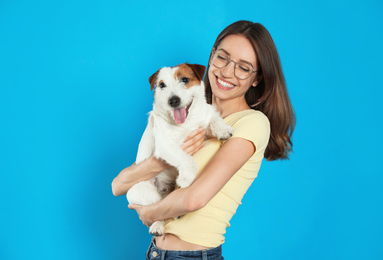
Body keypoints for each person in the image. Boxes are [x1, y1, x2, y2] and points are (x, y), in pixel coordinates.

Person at [112, 20, 295, 259]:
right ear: (212, 56)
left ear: (257, 78)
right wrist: (160, 162)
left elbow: (193, 199)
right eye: (223, 57)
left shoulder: (252, 123)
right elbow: (118, 186)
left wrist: (150, 213)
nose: (227, 72)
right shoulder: (185, 114)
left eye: (243, 67)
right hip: (156, 252)